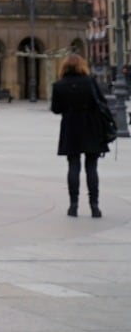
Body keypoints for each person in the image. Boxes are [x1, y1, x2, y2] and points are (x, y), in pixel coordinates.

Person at [50, 52, 110, 218]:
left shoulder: (59, 85)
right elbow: (102, 102)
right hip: (91, 127)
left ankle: (73, 205)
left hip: (71, 128)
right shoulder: (90, 82)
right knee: (92, 167)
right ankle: (95, 206)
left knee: (73, 166)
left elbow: (55, 109)